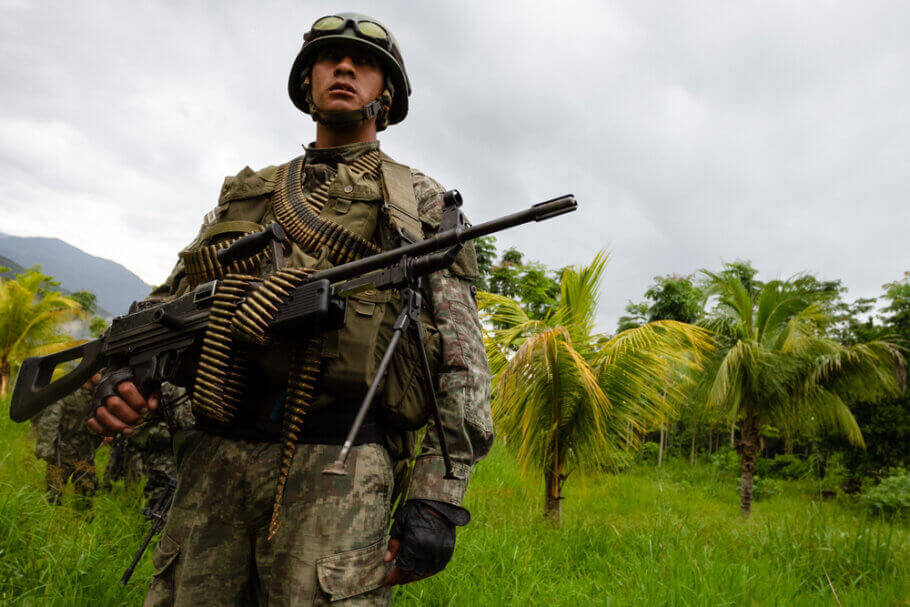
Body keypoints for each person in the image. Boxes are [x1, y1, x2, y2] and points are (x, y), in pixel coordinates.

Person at [87, 13, 492, 606]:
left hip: (339, 471)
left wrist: (437, 495)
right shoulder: (248, 194)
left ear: (389, 93)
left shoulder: (419, 202)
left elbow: (463, 361)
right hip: (213, 463)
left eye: (366, 62)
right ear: (307, 83)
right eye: (330, 58)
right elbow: (170, 304)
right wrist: (125, 374)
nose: (346, 68)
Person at [33, 386, 101, 508]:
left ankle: (82, 524)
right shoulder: (69, 393)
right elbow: (49, 422)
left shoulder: (99, 394)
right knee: (54, 493)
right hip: (63, 451)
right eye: (99, 372)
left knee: (86, 493)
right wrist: (46, 449)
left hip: (86, 452)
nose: (102, 374)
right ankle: (51, 522)